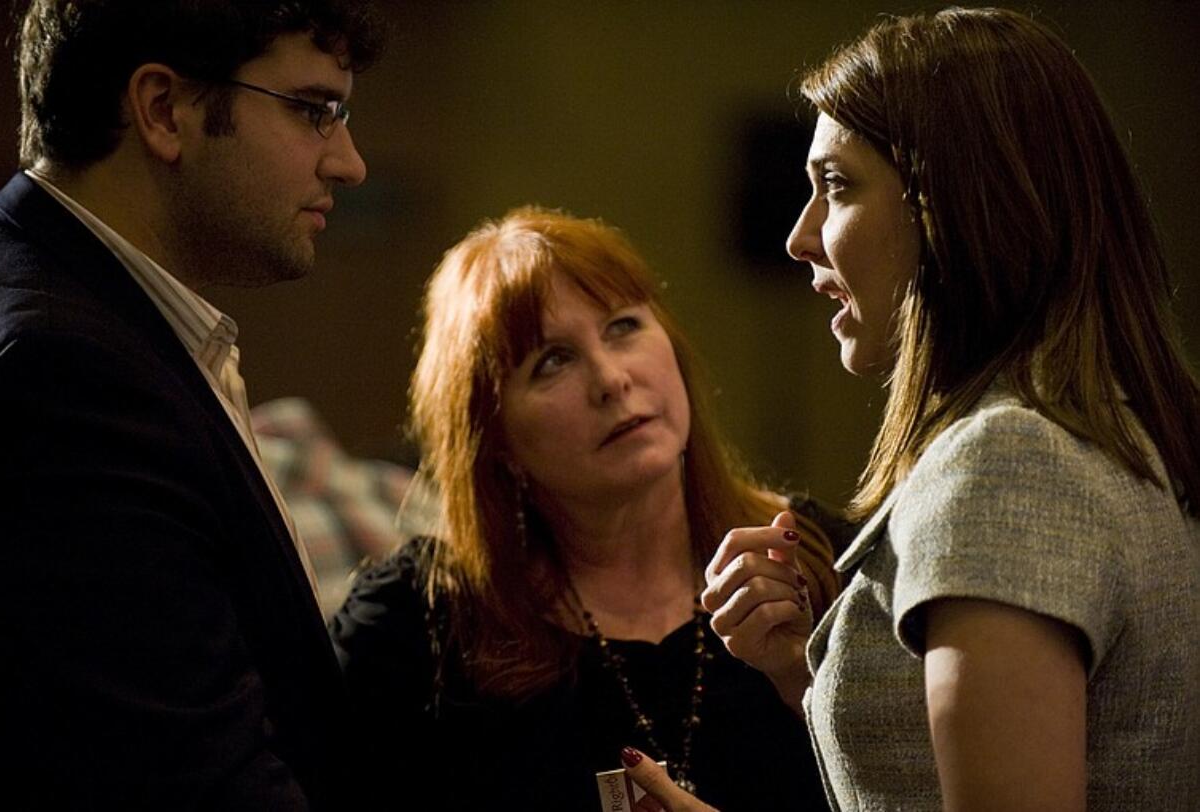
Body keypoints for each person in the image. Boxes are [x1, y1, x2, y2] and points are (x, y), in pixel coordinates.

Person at [625, 7, 1200, 812]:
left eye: (835, 185)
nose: (800, 237)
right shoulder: (1122, 428)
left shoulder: (1007, 462)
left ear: (958, 203)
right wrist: (804, 672)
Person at [0, 1, 382, 807]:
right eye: (314, 111)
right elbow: (187, 778)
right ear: (165, 110)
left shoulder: (34, 287)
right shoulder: (66, 374)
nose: (349, 163)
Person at [330, 206, 840, 811]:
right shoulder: (414, 628)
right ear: (495, 440)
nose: (610, 378)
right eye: (553, 361)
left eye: (623, 327)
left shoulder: (815, 559)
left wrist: (805, 684)